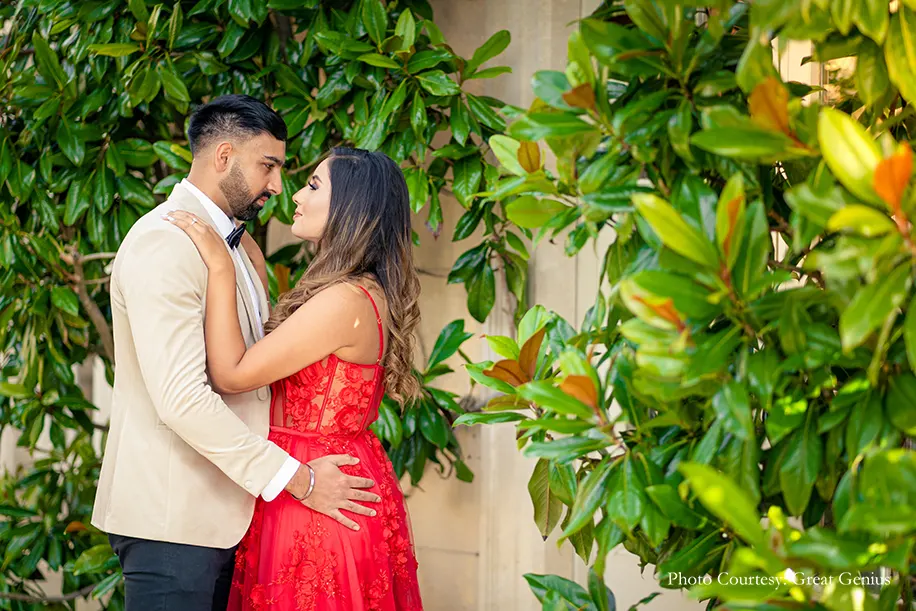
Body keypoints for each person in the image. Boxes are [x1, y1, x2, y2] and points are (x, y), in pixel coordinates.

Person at [91, 95, 380, 611]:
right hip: (176, 520)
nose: (278, 185)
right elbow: (182, 398)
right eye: (268, 166)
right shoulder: (167, 242)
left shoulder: (237, 247)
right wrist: (299, 479)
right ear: (224, 156)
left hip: (232, 518)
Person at [164, 146, 424, 610]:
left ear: (351, 207)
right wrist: (253, 272)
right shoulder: (357, 291)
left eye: (314, 185)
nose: (296, 196)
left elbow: (233, 374)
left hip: (316, 489)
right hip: (325, 474)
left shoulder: (344, 300)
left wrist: (221, 268)